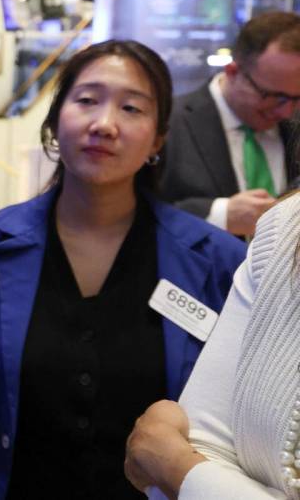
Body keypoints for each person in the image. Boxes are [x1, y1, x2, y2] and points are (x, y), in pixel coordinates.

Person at [0, 41, 246, 499]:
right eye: (87, 100)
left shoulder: (216, 262)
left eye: (131, 108)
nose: (104, 124)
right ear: (55, 122)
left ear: (158, 138)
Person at [124, 192, 300, 499]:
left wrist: (175, 466)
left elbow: (179, 459)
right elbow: (205, 442)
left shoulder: (218, 249)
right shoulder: (285, 227)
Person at [158, 11, 300, 237]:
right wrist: (219, 215)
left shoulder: (294, 124)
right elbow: (133, 214)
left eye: (297, 98)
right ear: (233, 72)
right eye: (273, 96)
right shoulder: (168, 123)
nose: (287, 111)